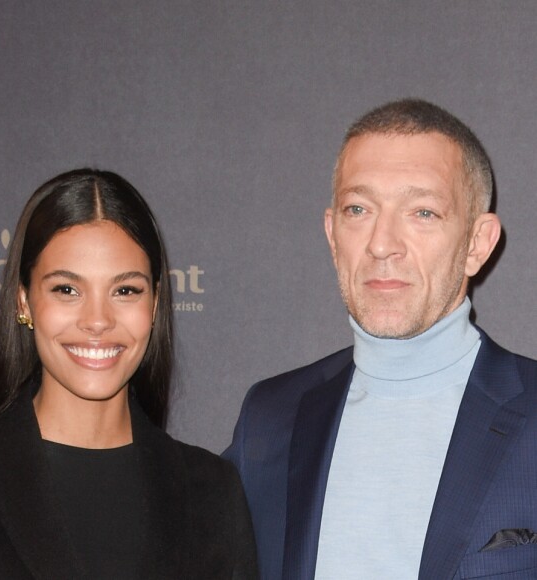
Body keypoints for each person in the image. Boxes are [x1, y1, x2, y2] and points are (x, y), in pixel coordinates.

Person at [224, 99, 537, 579]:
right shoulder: (270, 418)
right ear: (333, 235)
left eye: (423, 212)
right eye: (359, 209)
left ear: (477, 243)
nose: (381, 243)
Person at [0, 169, 258, 579]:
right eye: (67, 289)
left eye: (125, 290)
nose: (97, 320)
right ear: (24, 301)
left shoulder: (211, 493)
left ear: (153, 306)